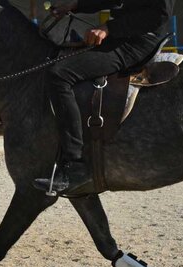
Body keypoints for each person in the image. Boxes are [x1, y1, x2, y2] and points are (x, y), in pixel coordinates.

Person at [33, 0, 175, 196]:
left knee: (59, 74)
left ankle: (76, 165)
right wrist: (76, 5)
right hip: (123, 36)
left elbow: (158, 16)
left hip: (137, 41)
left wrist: (109, 28)